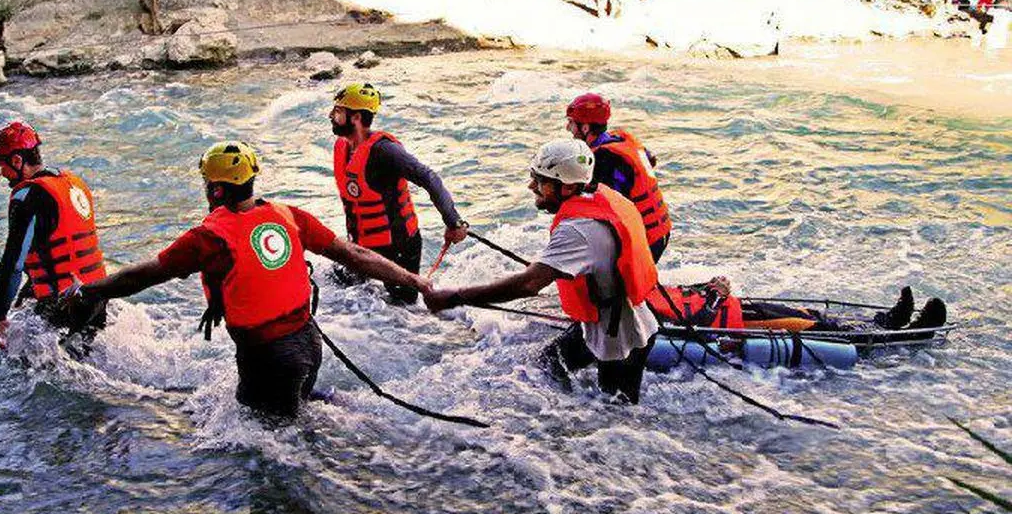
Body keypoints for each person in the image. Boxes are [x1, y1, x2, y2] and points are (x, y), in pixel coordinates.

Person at [64, 141, 431, 421]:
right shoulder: (288, 214)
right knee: (292, 415)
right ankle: (346, 409)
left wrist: (88, 289)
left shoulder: (208, 239)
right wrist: (415, 281)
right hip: (308, 342)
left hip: (270, 356)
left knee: (273, 439)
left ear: (217, 190)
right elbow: (356, 255)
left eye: (208, 183)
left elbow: (142, 275)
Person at [424, 139, 659, 403]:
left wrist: (454, 297)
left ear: (567, 186)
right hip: (613, 320)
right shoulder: (603, 196)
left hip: (619, 337)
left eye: (540, 181)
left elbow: (527, 285)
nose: (531, 186)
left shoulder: (578, 230)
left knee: (615, 411)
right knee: (546, 366)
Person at [330, 83, 469, 303]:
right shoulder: (342, 147)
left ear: (355, 117)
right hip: (362, 247)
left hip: (398, 249)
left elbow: (428, 178)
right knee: (340, 291)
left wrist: (453, 222)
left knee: (403, 312)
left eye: (338, 111)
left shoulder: (385, 151)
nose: (331, 116)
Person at [0, 121, 108, 349]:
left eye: (0, 164)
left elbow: (12, 264)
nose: (0, 173)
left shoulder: (27, 196)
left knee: (24, 363)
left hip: (64, 303)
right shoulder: (73, 183)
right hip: (99, 293)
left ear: (17, 160)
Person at [566, 92, 672, 261]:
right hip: (661, 229)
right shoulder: (622, 138)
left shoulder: (604, 159)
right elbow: (651, 160)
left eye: (571, 123)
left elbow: (611, 207)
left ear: (585, 128)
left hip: (647, 239)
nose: (568, 129)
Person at [646, 278, 946, 334]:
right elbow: (692, 323)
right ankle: (908, 333)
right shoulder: (644, 313)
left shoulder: (645, 291)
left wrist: (709, 287)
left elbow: (686, 297)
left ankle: (887, 320)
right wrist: (715, 296)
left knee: (808, 313)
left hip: (733, 307)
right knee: (813, 327)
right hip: (733, 325)